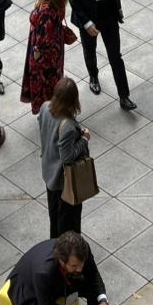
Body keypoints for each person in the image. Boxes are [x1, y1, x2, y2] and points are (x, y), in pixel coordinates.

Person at [65, 0, 135, 109]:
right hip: (88, 19)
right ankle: (93, 76)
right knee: (90, 50)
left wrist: (117, 9)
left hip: (109, 17)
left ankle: (124, 96)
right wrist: (86, 23)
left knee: (116, 57)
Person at [8, 230, 111, 305]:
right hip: (28, 291)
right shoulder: (43, 272)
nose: (80, 269)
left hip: (59, 277)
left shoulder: (83, 251)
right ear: (62, 261)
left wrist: (103, 301)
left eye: (82, 263)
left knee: (91, 287)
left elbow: (93, 275)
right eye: (74, 265)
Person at [39, 77, 91, 237]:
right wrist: (83, 139)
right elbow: (67, 157)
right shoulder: (67, 125)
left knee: (54, 217)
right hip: (64, 182)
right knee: (68, 223)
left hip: (49, 174)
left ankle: (54, 247)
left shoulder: (45, 107)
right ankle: (66, 252)